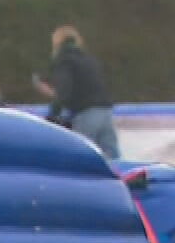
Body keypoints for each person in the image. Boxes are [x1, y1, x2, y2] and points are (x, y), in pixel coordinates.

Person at [34, 26, 119, 158]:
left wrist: (52, 115)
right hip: (105, 111)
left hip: (86, 113)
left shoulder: (64, 60)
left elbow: (65, 91)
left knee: (80, 155)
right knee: (111, 157)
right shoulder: (90, 59)